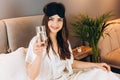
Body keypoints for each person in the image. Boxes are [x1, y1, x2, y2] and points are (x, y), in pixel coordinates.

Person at [25, 2, 120, 80]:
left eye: (59, 20)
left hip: (68, 77)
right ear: (46, 20)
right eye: (51, 19)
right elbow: (32, 76)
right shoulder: (37, 42)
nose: (55, 23)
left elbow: (71, 63)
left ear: (63, 21)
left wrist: (96, 65)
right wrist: (38, 55)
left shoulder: (64, 41)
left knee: (101, 73)